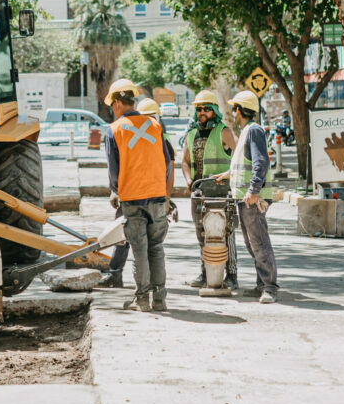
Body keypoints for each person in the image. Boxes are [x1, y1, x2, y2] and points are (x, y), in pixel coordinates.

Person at [103, 79, 173, 312]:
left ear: (116, 104)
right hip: (157, 196)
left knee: (140, 250)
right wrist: (161, 190)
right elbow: (167, 162)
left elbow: (114, 171)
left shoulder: (114, 130)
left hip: (132, 199)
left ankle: (142, 299)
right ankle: (160, 299)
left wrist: (116, 191)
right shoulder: (154, 125)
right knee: (156, 248)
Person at [214, 90, 278, 304]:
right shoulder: (247, 132)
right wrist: (228, 174)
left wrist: (254, 191)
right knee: (252, 243)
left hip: (252, 198)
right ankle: (262, 284)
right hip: (244, 197)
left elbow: (261, 162)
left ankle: (269, 286)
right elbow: (247, 163)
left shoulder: (253, 131)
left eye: (234, 108)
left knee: (259, 242)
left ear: (239, 110)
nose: (233, 112)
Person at [182, 90, 238, 289]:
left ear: (214, 111)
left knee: (226, 233)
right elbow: (185, 162)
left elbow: (238, 158)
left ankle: (231, 275)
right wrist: (188, 179)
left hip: (221, 192)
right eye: (199, 109)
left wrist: (232, 178)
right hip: (199, 192)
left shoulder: (224, 131)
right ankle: (205, 273)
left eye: (206, 109)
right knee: (202, 234)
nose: (202, 112)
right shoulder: (191, 134)